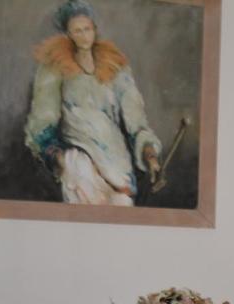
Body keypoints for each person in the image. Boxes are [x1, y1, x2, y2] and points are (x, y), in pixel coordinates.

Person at [25, 0, 161, 206]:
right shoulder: (55, 68)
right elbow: (42, 121)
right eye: (77, 31)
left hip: (116, 163)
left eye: (87, 29)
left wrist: (149, 154)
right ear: (69, 34)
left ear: (95, 29)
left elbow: (136, 120)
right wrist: (60, 159)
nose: (83, 35)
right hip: (80, 162)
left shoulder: (115, 67)